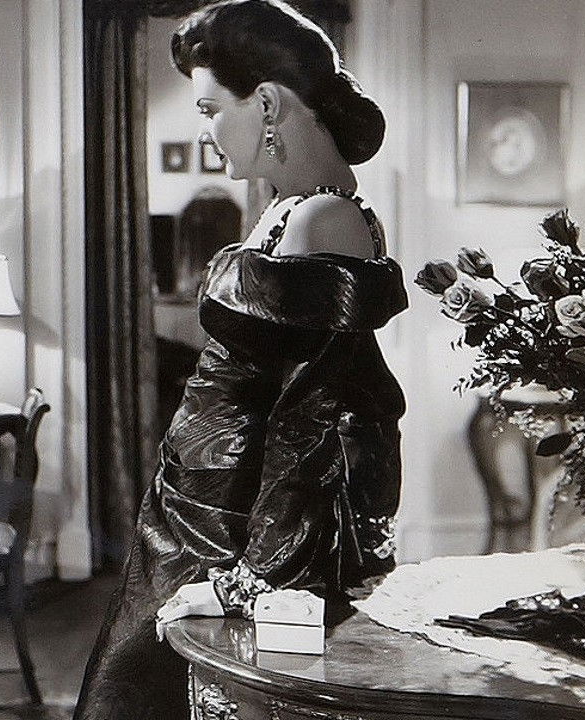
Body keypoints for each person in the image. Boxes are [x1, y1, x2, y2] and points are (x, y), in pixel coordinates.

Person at [74, 1, 407, 717]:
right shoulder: (291, 208)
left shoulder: (324, 219)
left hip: (232, 527)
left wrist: (244, 583)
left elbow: (313, 425)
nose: (206, 128)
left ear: (267, 104)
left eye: (209, 109)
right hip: (198, 503)